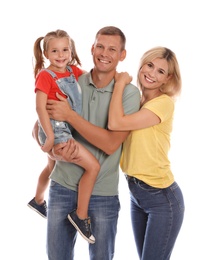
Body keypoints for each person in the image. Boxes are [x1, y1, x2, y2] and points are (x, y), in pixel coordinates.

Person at [33, 26, 141, 260]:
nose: (104, 53)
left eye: (113, 49)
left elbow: (111, 144)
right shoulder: (71, 80)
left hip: (103, 193)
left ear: (122, 55)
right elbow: (40, 124)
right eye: (100, 46)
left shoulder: (129, 94)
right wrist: (53, 152)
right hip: (63, 187)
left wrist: (70, 116)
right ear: (91, 48)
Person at [108, 46, 185, 260]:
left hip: (162, 197)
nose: (152, 73)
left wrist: (120, 85)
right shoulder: (137, 101)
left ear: (167, 78)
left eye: (160, 71)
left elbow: (115, 123)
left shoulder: (163, 103)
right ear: (142, 64)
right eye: (150, 65)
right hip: (136, 193)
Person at [28, 29, 101, 244]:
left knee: (51, 168)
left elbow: (93, 80)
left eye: (65, 50)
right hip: (55, 129)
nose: (60, 55)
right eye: (54, 51)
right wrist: (49, 137)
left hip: (66, 127)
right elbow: (40, 108)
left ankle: (38, 200)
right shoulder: (45, 75)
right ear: (46, 54)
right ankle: (80, 216)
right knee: (93, 167)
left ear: (71, 51)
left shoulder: (72, 72)